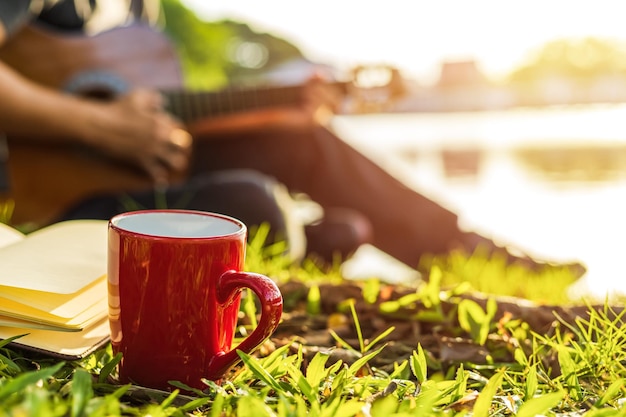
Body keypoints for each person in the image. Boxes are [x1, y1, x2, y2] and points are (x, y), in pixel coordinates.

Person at [0, 0, 585, 276]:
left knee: (303, 143)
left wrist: (280, 109)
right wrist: (100, 124)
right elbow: (113, 124)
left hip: (132, 174)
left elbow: (167, 121)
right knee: (250, 202)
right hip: (40, 197)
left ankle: (468, 254)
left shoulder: (138, 9)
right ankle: (308, 237)